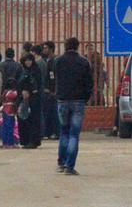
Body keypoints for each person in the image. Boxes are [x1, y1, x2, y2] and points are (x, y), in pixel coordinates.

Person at [53, 37, 93, 175]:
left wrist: (57, 94)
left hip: (62, 100)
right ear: (77, 46)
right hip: (78, 101)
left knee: (64, 132)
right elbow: (89, 83)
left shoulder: (58, 61)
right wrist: (86, 98)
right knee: (74, 134)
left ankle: (61, 163)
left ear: (65, 46)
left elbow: (53, 80)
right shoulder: (83, 62)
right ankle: (69, 167)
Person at [16, 53, 42, 149]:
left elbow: (38, 84)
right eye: (26, 60)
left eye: (29, 60)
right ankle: (25, 140)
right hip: (23, 99)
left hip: (34, 99)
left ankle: (33, 141)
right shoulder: (22, 70)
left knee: (33, 120)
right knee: (23, 119)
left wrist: (29, 91)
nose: (28, 62)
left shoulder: (36, 70)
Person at [41, 41, 59, 140]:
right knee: (48, 113)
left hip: (53, 92)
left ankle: (56, 132)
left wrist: (54, 90)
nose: (44, 50)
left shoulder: (55, 60)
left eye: (45, 48)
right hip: (48, 91)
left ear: (51, 49)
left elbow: (56, 77)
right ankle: (49, 132)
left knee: (55, 113)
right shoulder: (47, 60)